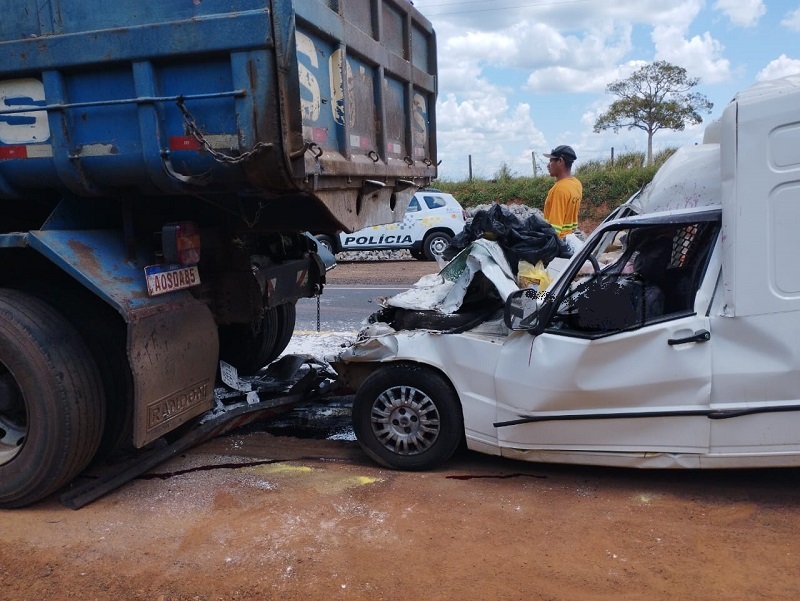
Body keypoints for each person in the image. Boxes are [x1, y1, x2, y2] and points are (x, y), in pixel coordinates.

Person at [542, 145, 582, 239]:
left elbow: (554, 229)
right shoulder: (576, 184)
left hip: (560, 241)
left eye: (551, 161)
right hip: (571, 237)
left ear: (560, 161)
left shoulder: (560, 189)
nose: (548, 165)